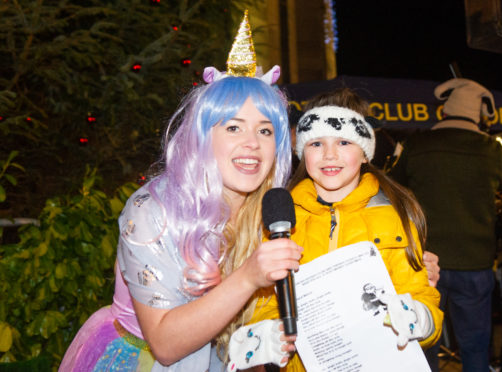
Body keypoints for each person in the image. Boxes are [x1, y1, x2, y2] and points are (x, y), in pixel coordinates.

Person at [59, 11, 301, 371]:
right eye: (234, 128)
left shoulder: (271, 212)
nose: (252, 143)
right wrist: (249, 276)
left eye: (265, 131)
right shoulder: (151, 212)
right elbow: (166, 346)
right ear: (203, 137)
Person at [250, 88, 443, 372]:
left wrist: (420, 318)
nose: (329, 155)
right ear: (302, 150)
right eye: (316, 143)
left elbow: (419, 291)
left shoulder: (393, 216)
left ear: (365, 153)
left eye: (343, 142)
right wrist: (268, 333)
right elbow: (266, 298)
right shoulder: (283, 218)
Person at [388, 78, 502, 372]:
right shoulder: (490, 149)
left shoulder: (418, 144)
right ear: (478, 116)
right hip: (475, 263)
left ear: (444, 111)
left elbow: (393, 186)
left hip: (426, 263)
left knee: (424, 345)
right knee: (474, 348)